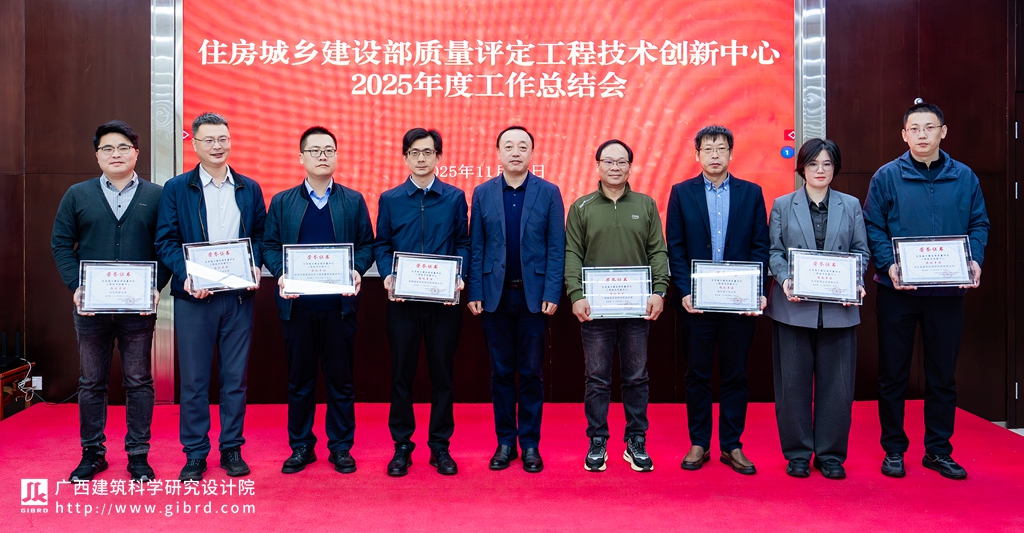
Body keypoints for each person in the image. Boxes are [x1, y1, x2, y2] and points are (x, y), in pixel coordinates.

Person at [862, 101, 989, 480]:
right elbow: (872, 226)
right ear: (904, 135)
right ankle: (894, 450)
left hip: (947, 294)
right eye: (914, 129)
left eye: (929, 128)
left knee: (942, 376)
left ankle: (938, 450)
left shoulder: (964, 177)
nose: (922, 135)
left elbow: (979, 224)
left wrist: (974, 259)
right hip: (897, 292)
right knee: (893, 375)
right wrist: (889, 265)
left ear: (942, 132)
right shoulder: (887, 176)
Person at [51, 120, 170, 482]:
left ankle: (138, 454)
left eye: (123, 147)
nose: (115, 154)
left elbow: (168, 245)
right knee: (91, 381)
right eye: (107, 148)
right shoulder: (77, 194)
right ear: (97, 155)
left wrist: (157, 286)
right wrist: (76, 285)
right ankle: (92, 453)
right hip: (91, 308)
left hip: (138, 308)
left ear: (136, 153)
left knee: (139, 380)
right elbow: (61, 244)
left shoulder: (158, 196)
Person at [155, 112, 266, 481]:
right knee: (194, 381)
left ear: (230, 141)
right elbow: (166, 241)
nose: (217, 146)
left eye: (223, 139)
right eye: (209, 140)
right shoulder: (177, 188)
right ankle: (195, 452)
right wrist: (188, 274)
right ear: (195, 144)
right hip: (195, 299)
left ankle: (231, 447)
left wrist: (255, 263)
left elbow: (261, 235)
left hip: (237, 298)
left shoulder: (249, 188)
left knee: (235, 379)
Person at [261, 126, 375, 475]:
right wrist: (281, 273)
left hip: (339, 308)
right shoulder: (283, 202)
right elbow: (269, 246)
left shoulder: (353, 201)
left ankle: (341, 447)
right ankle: (301, 446)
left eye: (328, 150)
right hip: (298, 308)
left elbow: (367, 245)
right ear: (301, 157)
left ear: (337, 156)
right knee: (300, 382)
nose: (322, 156)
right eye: (315, 150)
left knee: (341, 381)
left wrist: (356, 269)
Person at [665, 125, 769, 475]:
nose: (714, 155)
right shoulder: (682, 193)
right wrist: (685, 291)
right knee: (696, 374)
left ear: (730, 154)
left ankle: (732, 444)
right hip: (697, 304)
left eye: (721, 149)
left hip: (738, 303)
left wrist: (755, 291)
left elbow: (760, 246)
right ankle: (699, 442)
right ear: (697, 155)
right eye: (707, 149)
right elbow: (676, 247)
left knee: (735, 374)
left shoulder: (751, 193)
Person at [765, 138, 869, 479]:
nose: (820, 170)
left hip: (839, 309)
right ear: (802, 168)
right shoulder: (783, 205)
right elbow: (774, 252)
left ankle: (831, 455)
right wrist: (785, 280)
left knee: (837, 386)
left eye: (827, 164)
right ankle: (797, 453)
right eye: (813, 164)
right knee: (792, 386)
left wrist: (855, 280)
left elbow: (861, 250)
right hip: (793, 308)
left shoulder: (851, 205)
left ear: (835, 167)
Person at [564, 139, 669, 473]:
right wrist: (576, 294)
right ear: (597, 165)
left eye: (621, 162)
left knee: (636, 377)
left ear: (630, 167)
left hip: (637, 309)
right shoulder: (581, 207)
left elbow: (657, 251)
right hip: (595, 311)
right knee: (597, 378)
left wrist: (660, 290)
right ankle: (597, 440)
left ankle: (636, 440)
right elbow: (572, 254)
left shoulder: (646, 204)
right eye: (608, 161)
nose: (615, 167)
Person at [468, 126, 565, 473]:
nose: (515, 152)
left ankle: (531, 444)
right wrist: (475, 290)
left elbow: (556, 246)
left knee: (531, 374)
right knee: (501, 374)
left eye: (522, 146)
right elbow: (477, 245)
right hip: (494, 298)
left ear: (532, 153)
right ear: (498, 153)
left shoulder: (549, 192)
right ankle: (505, 443)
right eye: (508, 146)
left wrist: (552, 291)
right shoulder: (482, 193)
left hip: (533, 298)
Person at [373, 127, 470, 476]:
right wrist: (388, 274)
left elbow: (463, 242)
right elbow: (382, 244)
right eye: (414, 152)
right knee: (402, 375)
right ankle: (402, 446)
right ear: (405, 157)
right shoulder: (391, 199)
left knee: (442, 374)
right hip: (402, 303)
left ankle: (440, 446)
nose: (421, 158)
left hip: (443, 303)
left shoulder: (454, 197)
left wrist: (459, 274)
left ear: (438, 157)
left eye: (428, 152)